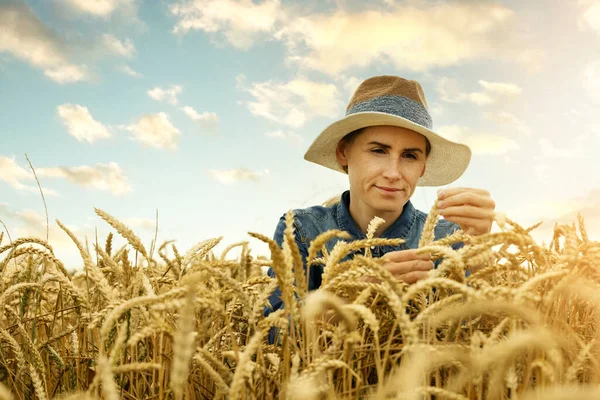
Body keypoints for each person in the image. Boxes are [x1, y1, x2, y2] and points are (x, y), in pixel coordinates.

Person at [265, 75, 496, 318]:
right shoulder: (301, 230)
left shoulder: (449, 238)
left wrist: (480, 255)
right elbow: (274, 331)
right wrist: (357, 292)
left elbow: (478, 330)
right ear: (344, 152)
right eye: (378, 151)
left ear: (423, 168)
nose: (393, 173)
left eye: (409, 156)